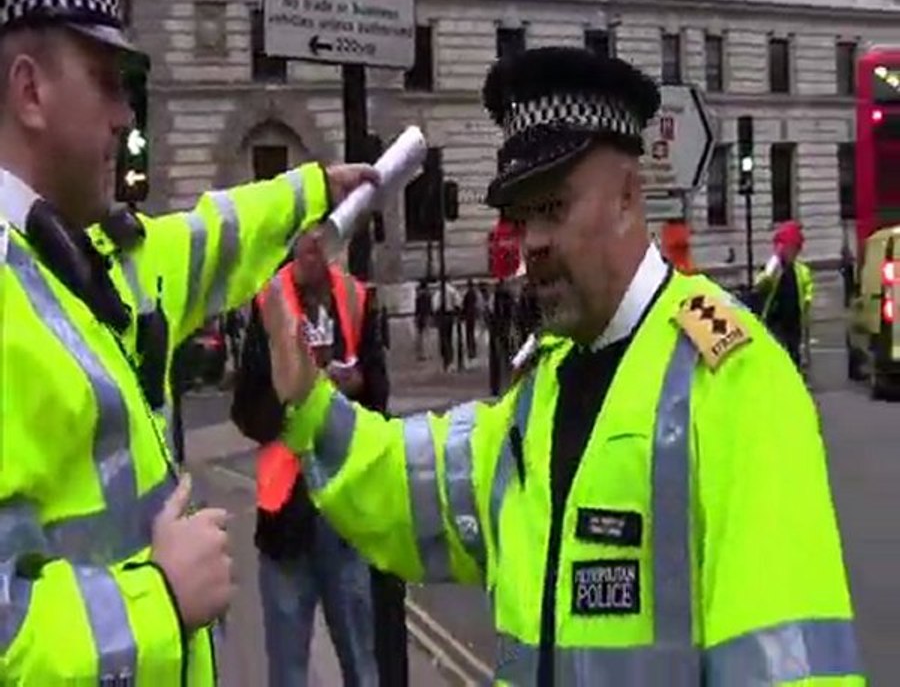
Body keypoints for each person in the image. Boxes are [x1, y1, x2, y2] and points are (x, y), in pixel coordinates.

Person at [262, 47, 863, 685]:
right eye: (522, 216)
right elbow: (418, 491)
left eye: (554, 208)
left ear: (629, 198)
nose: (533, 243)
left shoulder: (734, 377)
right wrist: (310, 403)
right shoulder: (543, 384)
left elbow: (789, 662)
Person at [0, 0, 376, 683]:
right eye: (107, 82)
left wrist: (316, 188)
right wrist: (160, 598)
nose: (127, 117)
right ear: (30, 91)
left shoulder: (88, 252)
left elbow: (213, 239)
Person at [231, 229, 391, 687]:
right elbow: (245, 410)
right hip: (286, 516)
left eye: (323, 233)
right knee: (288, 672)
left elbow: (381, 398)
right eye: (304, 235)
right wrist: (292, 394)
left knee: (362, 665)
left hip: (346, 515)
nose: (313, 243)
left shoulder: (357, 299)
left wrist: (355, 386)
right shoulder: (269, 302)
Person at [753, 220, 814, 369]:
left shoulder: (801, 270)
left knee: (794, 354)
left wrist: (807, 303)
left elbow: (808, 291)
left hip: (794, 320)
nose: (794, 252)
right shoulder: (772, 267)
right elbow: (760, 284)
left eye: (796, 249)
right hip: (774, 320)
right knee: (777, 355)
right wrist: (774, 265)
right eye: (791, 248)